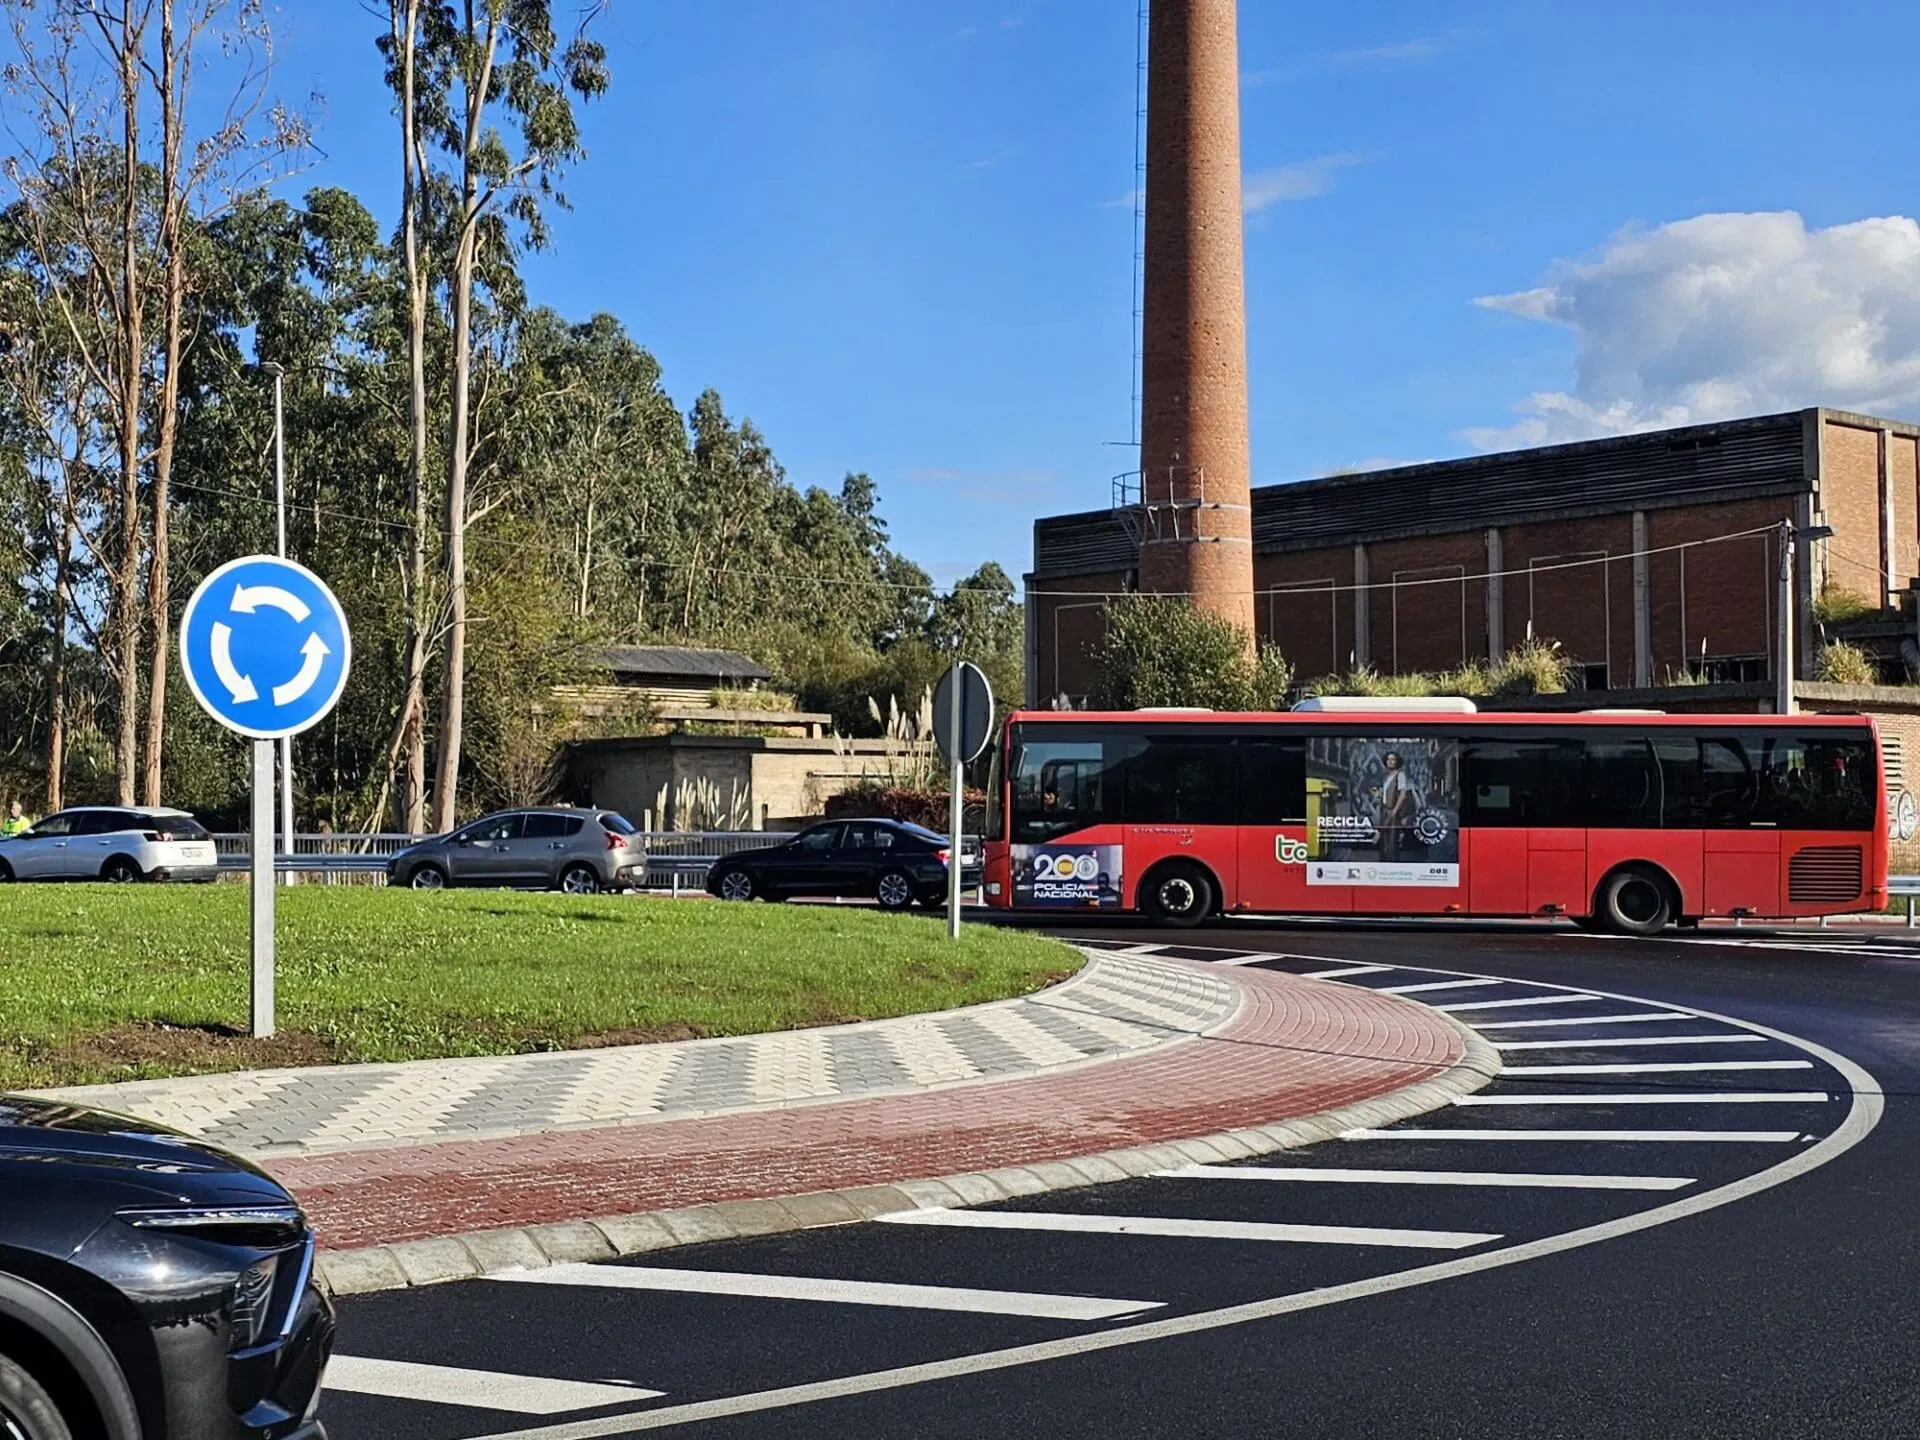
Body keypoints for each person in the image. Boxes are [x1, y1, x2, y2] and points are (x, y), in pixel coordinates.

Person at [1378, 752, 1416, 862]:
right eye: (1388, 759)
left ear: (1397, 761)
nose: (1390, 761)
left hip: (1393, 810)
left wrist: (1395, 811)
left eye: (1393, 759)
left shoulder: (1400, 775)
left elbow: (1403, 795)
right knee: (1384, 840)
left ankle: (1392, 866)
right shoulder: (1386, 777)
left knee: (1392, 842)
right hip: (1384, 810)